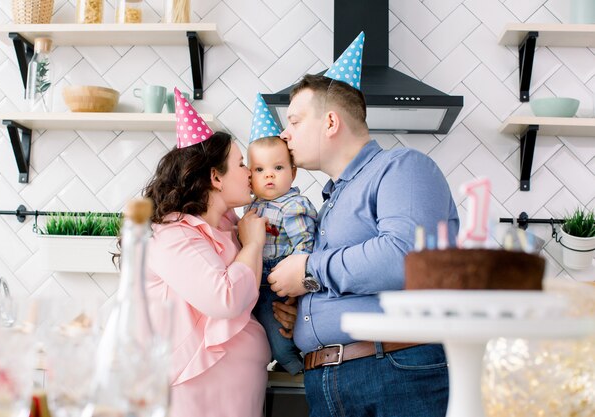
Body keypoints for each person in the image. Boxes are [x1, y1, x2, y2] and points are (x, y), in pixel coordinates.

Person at [267, 33, 460, 417]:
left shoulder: (402, 167)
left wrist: (307, 270)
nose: (284, 134)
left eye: (294, 120)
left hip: (393, 372)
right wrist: (305, 310)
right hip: (327, 380)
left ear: (331, 122)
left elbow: (403, 257)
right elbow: (351, 273)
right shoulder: (329, 200)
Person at [143, 89, 297, 417]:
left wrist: (286, 312)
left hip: (241, 392)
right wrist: (254, 244)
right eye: (241, 164)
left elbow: (254, 296)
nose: (250, 173)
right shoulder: (172, 236)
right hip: (195, 397)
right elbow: (225, 298)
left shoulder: (234, 229)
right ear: (215, 177)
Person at [245, 94, 318, 375]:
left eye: (278, 168)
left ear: (293, 172)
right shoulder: (252, 206)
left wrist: (298, 275)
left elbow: (305, 244)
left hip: (281, 279)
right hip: (258, 279)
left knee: (279, 330)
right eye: (259, 169)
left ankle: (293, 364)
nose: (269, 176)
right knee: (263, 324)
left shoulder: (292, 206)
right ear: (249, 176)